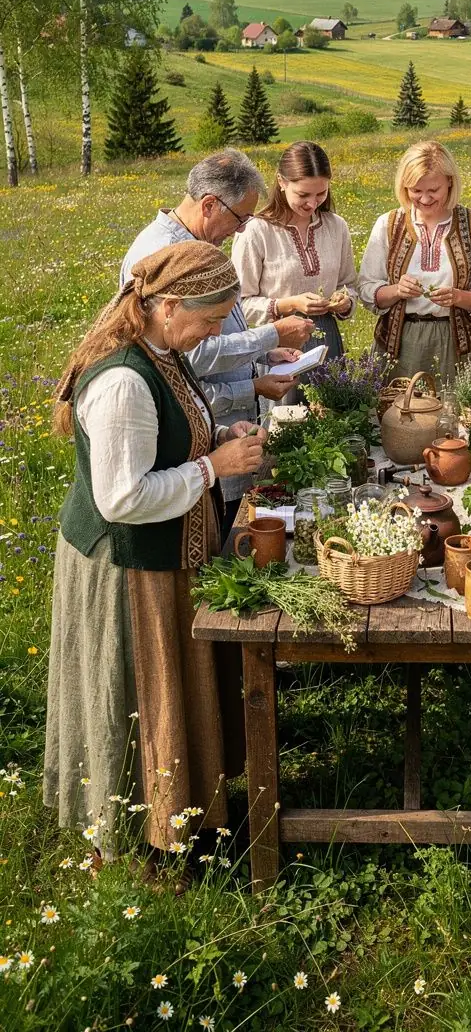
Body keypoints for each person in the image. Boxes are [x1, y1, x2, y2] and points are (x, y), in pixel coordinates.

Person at [44, 243, 270, 859]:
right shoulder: (123, 380)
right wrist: (212, 466)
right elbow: (122, 497)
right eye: (211, 317)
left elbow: (166, 437)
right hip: (125, 565)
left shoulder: (164, 351)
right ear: (168, 305)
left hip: (164, 553)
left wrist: (219, 434)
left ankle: (182, 810)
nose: (217, 330)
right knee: (134, 696)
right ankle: (127, 832)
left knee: (171, 688)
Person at [121, 148, 307, 527]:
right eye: (240, 218)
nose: (241, 230)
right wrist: (269, 337)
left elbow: (221, 328)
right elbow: (195, 357)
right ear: (209, 204)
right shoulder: (163, 253)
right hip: (187, 456)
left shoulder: (199, 246)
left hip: (218, 431)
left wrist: (263, 359)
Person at [358, 140, 471, 388]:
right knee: (398, 418)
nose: (424, 199)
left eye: (433, 190)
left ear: (449, 181)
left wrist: (459, 297)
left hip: (456, 343)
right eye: (415, 190)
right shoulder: (389, 224)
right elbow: (367, 288)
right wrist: (396, 290)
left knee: (456, 419)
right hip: (400, 343)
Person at [232, 142, 358, 400]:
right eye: (303, 195)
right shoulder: (257, 231)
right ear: (281, 182)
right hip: (276, 341)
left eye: (320, 193)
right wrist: (288, 304)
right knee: (286, 423)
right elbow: (238, 305)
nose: (313, 203)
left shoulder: (336, 227)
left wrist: (344, 302)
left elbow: (349, 284)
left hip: (327, 340)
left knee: (332, 419)